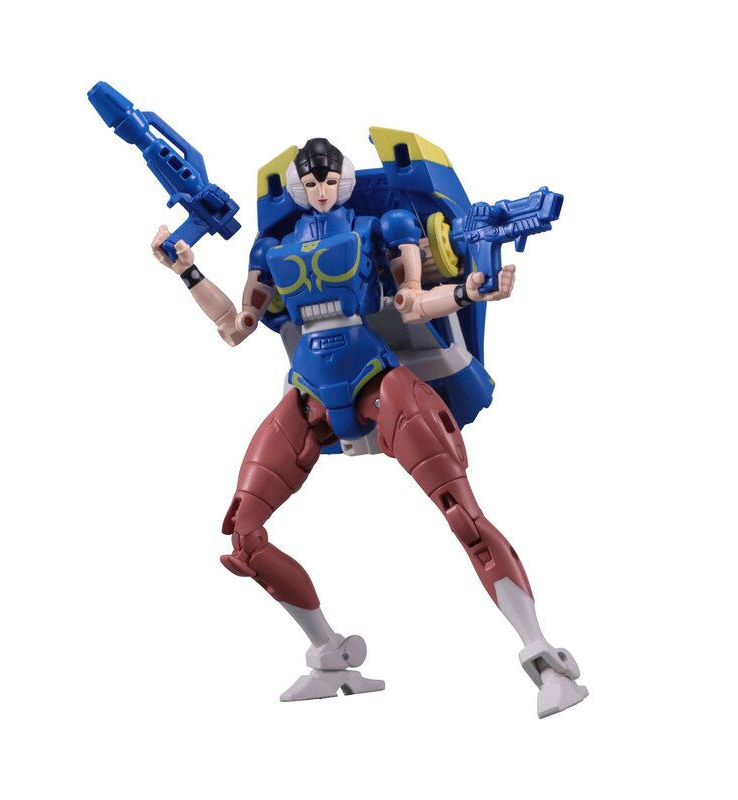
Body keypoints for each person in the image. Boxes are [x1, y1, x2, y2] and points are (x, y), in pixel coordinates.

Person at [151, 137, 587, 717]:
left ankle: (544, 660)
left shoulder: (382, 228)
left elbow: (412, 303)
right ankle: (330, 656)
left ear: (345, 182)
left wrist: (470, 289)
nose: (322, 190)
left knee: (462, 514)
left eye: (331, 181)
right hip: (307, 393)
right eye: (312, 183)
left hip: (377, 383)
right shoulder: (271, 248)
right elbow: (236, 326)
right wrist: (187, 271)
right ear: (299, 187)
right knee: (245, 535)